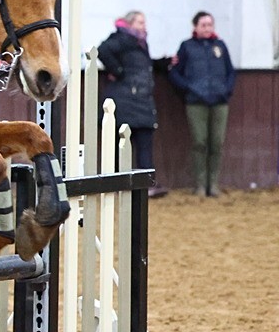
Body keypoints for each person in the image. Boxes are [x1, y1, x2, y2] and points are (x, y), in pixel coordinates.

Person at [96, 11, 169, 198]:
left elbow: (135, 65)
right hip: (126, 101)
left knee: (141, 145)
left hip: (140, 102)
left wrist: (161, 64)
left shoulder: (137, 43)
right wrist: (117, 70)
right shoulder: (124, 39)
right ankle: (121, 183)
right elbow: (103, 50)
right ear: (130, 24)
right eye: (139, 22)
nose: (144, 25)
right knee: (124, 147)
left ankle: (143, 183)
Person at [169, 11, 235, 197]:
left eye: (210, 25)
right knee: (199, 142)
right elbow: (175, 72)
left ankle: (212, 184)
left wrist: (226, 90)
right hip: (196, 102)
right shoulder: (187, 47)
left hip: (220, 101)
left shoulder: (220, 46)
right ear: (195, 27)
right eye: (203, 25)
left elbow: (230, 71)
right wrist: (189, 89)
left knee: (217, 143)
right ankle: (199, 185)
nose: (207, 28)